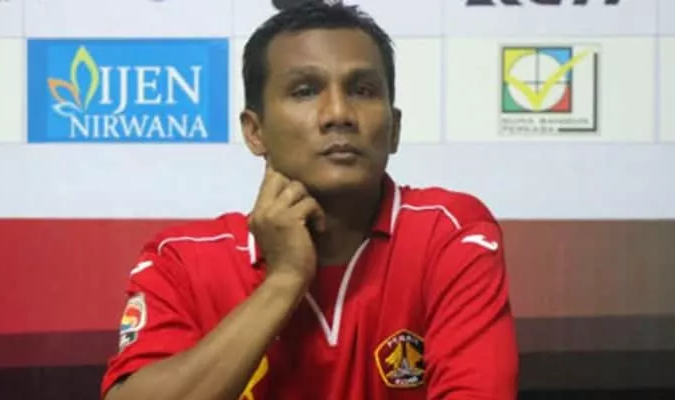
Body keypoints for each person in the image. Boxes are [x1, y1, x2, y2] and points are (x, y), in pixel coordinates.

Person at [100, 2, 519, 399]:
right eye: (304, 91)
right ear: (255, 132)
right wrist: (284, 281)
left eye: (363, 90)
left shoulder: (447, 232)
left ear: (394, 128)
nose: (339, 113)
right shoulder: (182, 261)